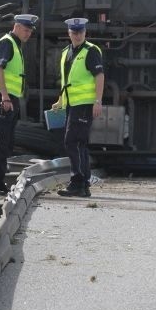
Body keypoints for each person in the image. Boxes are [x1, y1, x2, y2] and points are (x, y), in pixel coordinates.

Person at [0, 14, 39, 196]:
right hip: (2, 98)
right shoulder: (7, 43)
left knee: (6, 142)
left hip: (10, 98)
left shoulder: (16, 44)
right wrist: (5, 96)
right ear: (17, 27)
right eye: (26, 30)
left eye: (30, 31)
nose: (28, 34)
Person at [52, 17, 104, 197]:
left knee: (72, 141)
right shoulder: (67, 52)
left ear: (85, 32)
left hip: (84, 104)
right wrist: (60, 100)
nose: (78, 35)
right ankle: (82, 186)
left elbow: (99, 76)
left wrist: (98, 101)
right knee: (78, 143)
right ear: (69, 33)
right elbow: (68, 81)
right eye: (74, 32)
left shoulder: (90, 51)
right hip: (72, 104)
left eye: (80, 32)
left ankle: (78, 183)